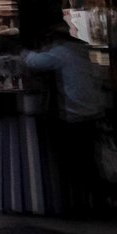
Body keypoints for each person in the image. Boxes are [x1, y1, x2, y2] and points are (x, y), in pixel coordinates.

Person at [22, 23, 111, 218]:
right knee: (90, 161)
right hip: (91, 112)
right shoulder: (79, 51)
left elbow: (34, 62)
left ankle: (89, 202)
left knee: (77, 163)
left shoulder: (61, 53)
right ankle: (97, 200)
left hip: (75, 115)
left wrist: (23, 51)